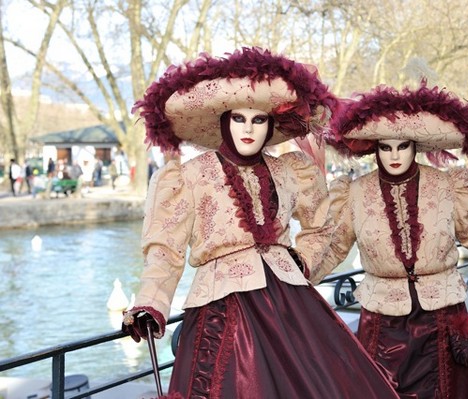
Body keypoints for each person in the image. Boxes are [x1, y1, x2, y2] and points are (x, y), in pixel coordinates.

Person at [122, 47, 399, 399]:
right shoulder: (188, 176)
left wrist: (303, 260)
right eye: (239, 119)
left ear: (270, 125)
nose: (249, 129)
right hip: (222, 307)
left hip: (290, 304)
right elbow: (165, 251)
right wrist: (151, 303)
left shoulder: (289, 171)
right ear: (224, 121)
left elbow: (321, 225)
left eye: (258, 120)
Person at [310, 83, 468, 398]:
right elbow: (335, 250)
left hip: (443, 314)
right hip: (382, 320)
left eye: (402, 146)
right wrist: (296, 280)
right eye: (386, 147)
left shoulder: (447, 185)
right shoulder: (354, 193)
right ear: (375, 149)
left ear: (415, 146)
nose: (395, 155)